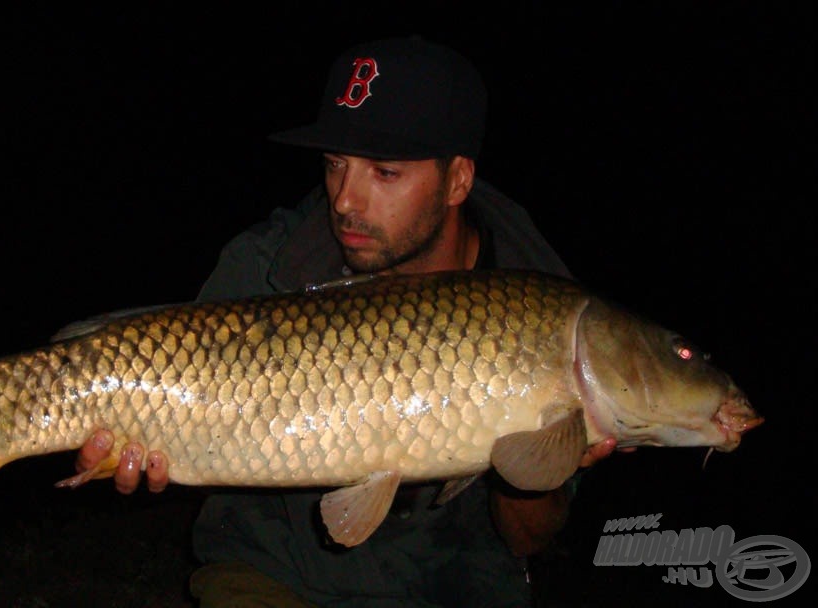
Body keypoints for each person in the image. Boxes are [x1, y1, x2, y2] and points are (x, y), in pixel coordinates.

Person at [68, 36, 628, 607]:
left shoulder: (544, 303)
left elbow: (529, 538)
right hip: (274, 570)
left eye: (384, 173)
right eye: (336, 164)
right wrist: (140, 446)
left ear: (458, 180)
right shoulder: (265, 265)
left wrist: (535, 465)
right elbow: (165, 406)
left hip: (458, 586)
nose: (344, 201)